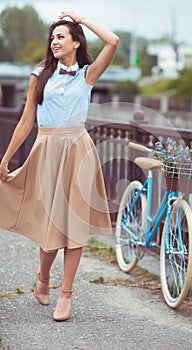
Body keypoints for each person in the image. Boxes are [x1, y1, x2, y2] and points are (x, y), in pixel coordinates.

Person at [0, 10, 119, 321]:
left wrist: (81, 20)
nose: (54, 41)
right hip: (48, 147)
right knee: (51, 224)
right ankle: (43, 277)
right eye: (52, 37)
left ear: (76, 42)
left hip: (78, 150)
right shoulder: (39, 75)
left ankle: (65, 294)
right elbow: (27, 119)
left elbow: (113, 41)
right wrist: (8, 156)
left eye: (61, 36)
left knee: (74, 226)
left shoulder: (87, 75)